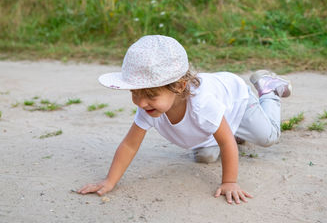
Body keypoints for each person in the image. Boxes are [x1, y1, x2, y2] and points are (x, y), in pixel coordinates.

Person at [77, 35, 292, 204]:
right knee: (206, 156)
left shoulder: (203, 105)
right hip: (216, 117)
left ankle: (269, 89)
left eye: (151, 95)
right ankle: (232, 131)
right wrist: (109, 181)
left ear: (179, 86)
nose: (141, 103)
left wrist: (229, 182)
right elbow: (130, 145)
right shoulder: (148, 106)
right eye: (135, 93)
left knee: (267, 137)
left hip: (237, 100)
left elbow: (226, 142)